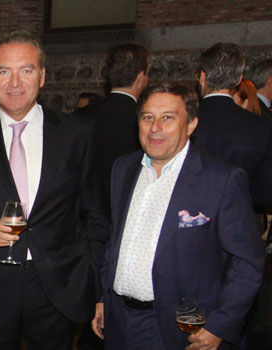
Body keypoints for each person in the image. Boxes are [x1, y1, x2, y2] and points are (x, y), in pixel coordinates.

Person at [0, 30, 103, 349]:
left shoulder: (78, 134)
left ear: (43, 76)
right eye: (4, 71)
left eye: (26, 70)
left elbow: (95, 215)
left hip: (58, 286)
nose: (14, 82)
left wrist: (96, 285)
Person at [91, 81, 265, 349]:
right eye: (148, 117)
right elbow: (115, 239)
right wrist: (104, 295)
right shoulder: (123, 168)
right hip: (119, 321)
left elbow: (248, 262)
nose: (155, 127)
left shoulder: (221, 180)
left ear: (192, 124)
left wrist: (220, 325)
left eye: (168, 118)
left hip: (178, 329)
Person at [75, 43, 150, 265]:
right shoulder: (145, 122)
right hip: (132, 223)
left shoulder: (80, 119)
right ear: (140, 76)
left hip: (84, 223)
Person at [193, 42, 272, 211]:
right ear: (238, 79)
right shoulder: (263, 127)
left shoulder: (182, 121)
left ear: (202, 77)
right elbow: (266, 192)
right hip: (237, 216)